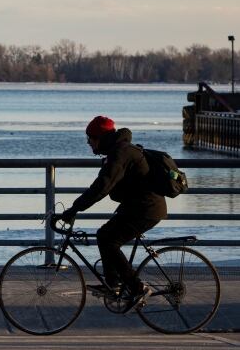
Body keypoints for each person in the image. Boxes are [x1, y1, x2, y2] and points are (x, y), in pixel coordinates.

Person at [60, 116, 166, 311]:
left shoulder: (120, 153)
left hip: (146, 209)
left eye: (90, 138)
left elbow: (101, 187)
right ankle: (114, 285)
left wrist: (74, 209)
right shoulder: (117, 151)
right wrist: (76, 209)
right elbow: (103, 186)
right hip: (138, 207)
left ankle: (137, 288)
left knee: (109, 240)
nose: (88, 142)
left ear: (99, 137)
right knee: (104, 235)